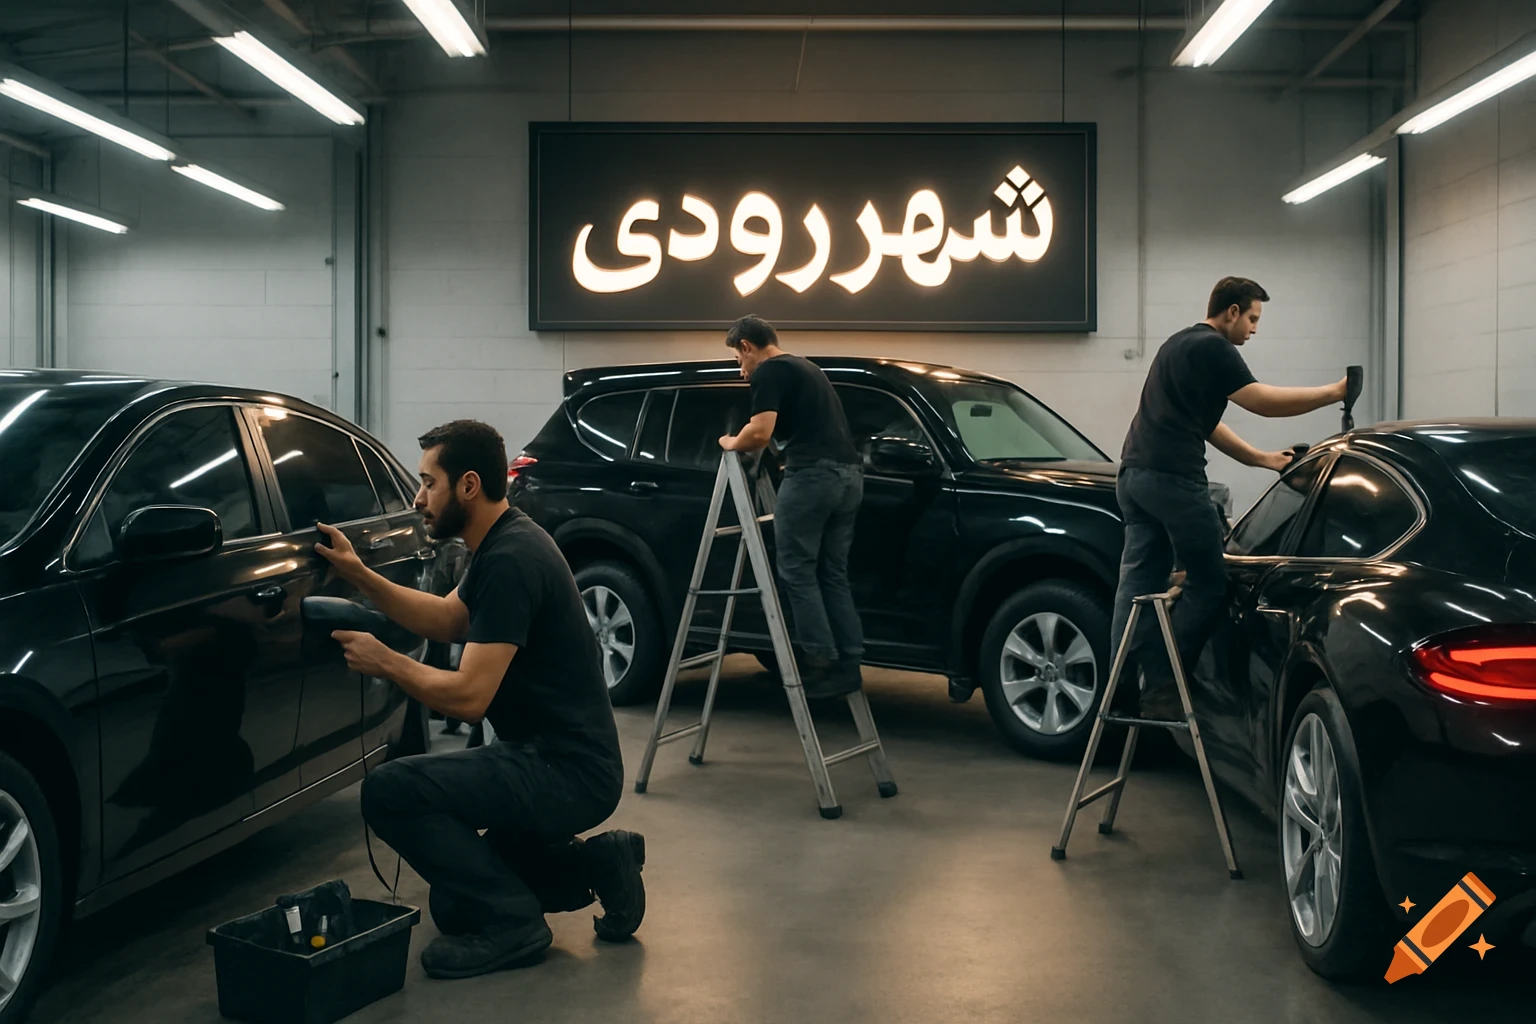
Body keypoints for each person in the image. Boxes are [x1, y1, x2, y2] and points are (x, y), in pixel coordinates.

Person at [313, 420, 645, 980]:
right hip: (559, 762)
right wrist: (360, 576)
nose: (418, 498)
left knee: (391, 791)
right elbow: (447, 617)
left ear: (468, 485)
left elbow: (468, 699)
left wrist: (385, 662)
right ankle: (595, 866)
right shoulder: (504, 542)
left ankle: (515, 925)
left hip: (564, 771)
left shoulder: (511, 559)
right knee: (454, 904)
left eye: (427, 483)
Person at [1114, 277, 1349, 720]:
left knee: (1136, 588)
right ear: (1232, 312)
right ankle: (1164, 685)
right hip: (1173, 480)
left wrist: (1262, 459)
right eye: (1253, 319)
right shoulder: (1214, 348)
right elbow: (1261, 401)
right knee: (1210, 580)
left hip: (1134, 478)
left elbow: (1205, 425)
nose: (1254, 330)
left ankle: (1121, 688)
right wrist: (1333, 394)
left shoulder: (1176, 345)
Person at [720, 314, 865, 699]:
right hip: (849, 478)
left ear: (747, 347)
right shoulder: (808, 368)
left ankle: (817, 664)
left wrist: (729, 441)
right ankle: (848, 665)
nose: (741, 370)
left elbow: (760, 433)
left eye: (739, 360)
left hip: (813, 478)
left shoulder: (769, 371)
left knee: (797, 571)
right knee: (832, 572)